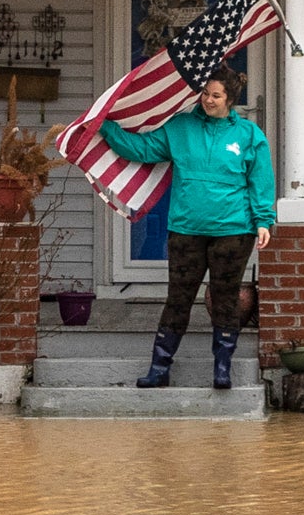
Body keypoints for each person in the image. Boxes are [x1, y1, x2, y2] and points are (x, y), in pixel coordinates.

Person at [100, 72, 274, 391]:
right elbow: (143, 148)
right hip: (185, 229)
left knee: (224, 299)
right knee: (178, 298)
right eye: (205, 93)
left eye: (216, 96)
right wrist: (104, 127)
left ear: (230, 100)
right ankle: (159, 368)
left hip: (234, 231)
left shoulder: (249, 134)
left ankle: (222, 369)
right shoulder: (181, 127)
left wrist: (264, 219)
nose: (208, 100)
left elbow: (260, 180)